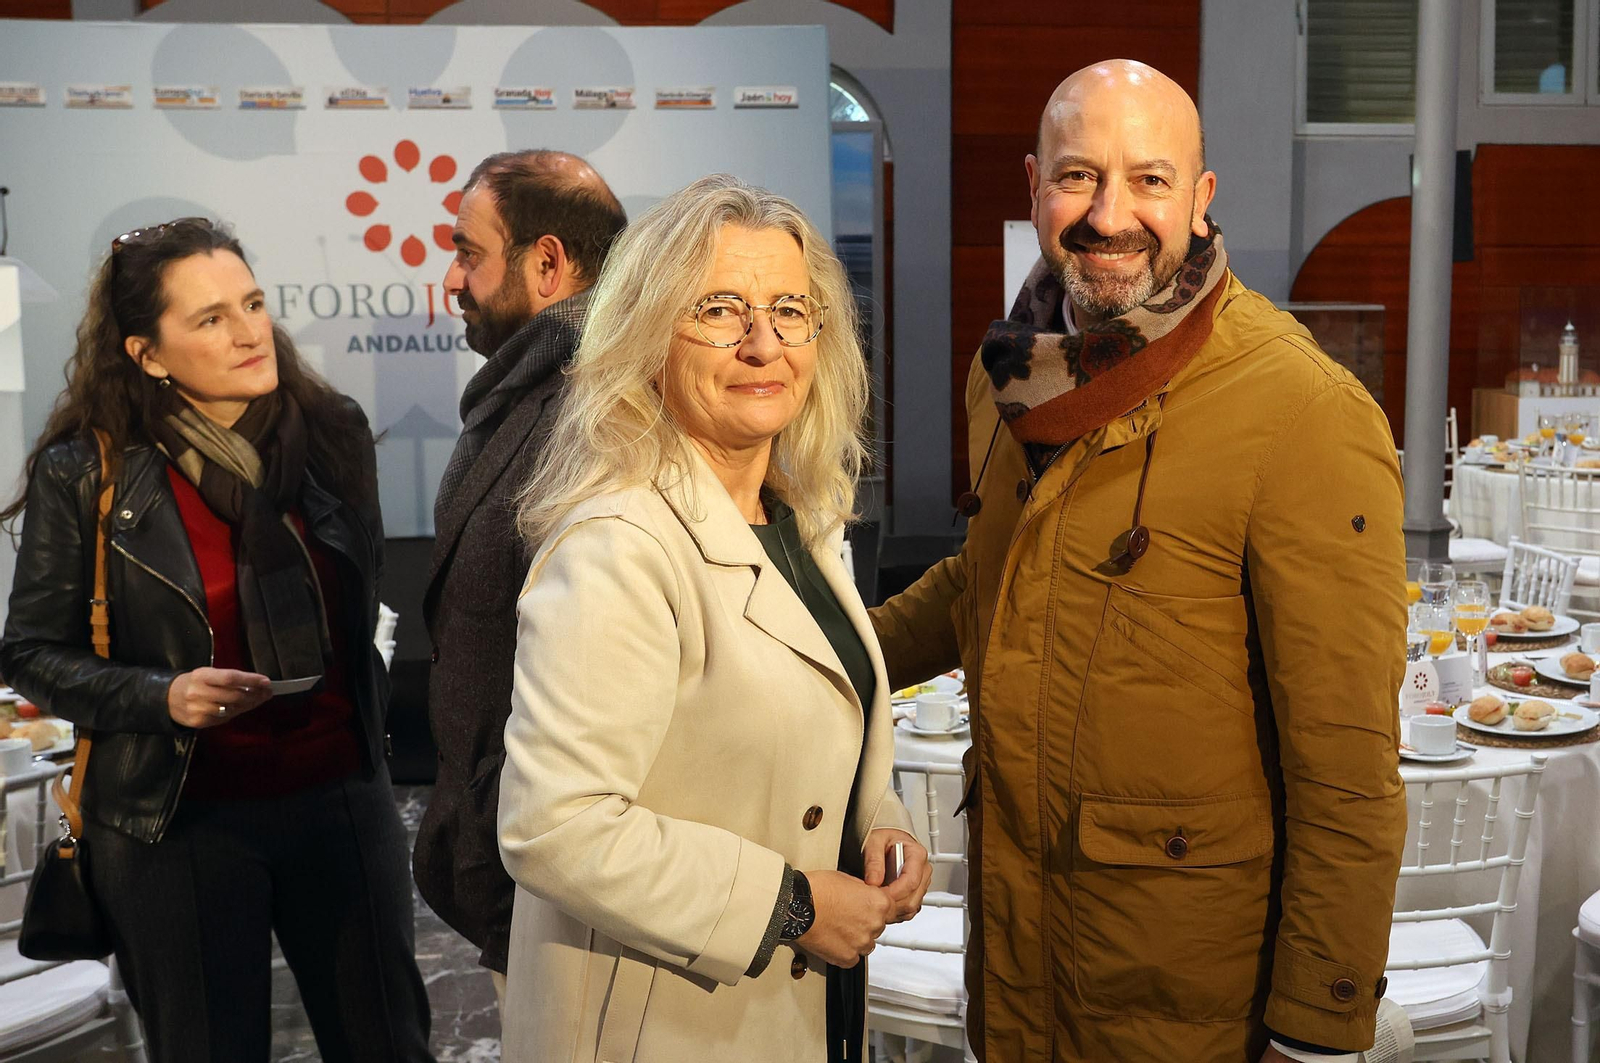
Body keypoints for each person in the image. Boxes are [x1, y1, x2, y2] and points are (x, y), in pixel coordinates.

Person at [870, 60, 1408, 1062]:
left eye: (1149, 181)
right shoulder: (1011, 373)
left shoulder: (1302, 412)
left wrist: (1318, 1028)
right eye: (1078, 177)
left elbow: (1347, 770)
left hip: (1186, 1000)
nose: (1108, 214)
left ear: (1201, 201)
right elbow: (991, 576)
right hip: (1017, 968)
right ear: (1034, 185)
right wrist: (832, 650)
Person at [496, 173, 933, 1062]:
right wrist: (795, 904)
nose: (764, 342)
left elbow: (816, 729)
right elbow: (555, 824)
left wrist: (877, 818)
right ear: (648, 335)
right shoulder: (619, 544)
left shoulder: (798, 517)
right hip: (657, 1026)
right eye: (721, 310)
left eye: (790, 310)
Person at [0, 217, 433, 1063]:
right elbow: (30, 651)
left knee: (388, 1047)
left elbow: (359, 609)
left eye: (254, 303)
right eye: (209, 318)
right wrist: (161, 695)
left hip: (342, 798)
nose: (248, 332)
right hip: (178, 821)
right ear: (148, 353)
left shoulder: (331, 433)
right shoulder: (85, 470)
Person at [411, 148, 626, 1005]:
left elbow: (576, 675)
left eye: (469, 251)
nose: (454, 278)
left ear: (546, 263)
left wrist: (507, 861)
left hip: (552, 880)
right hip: (513, 863)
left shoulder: (592, 412)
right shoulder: (529, 391)